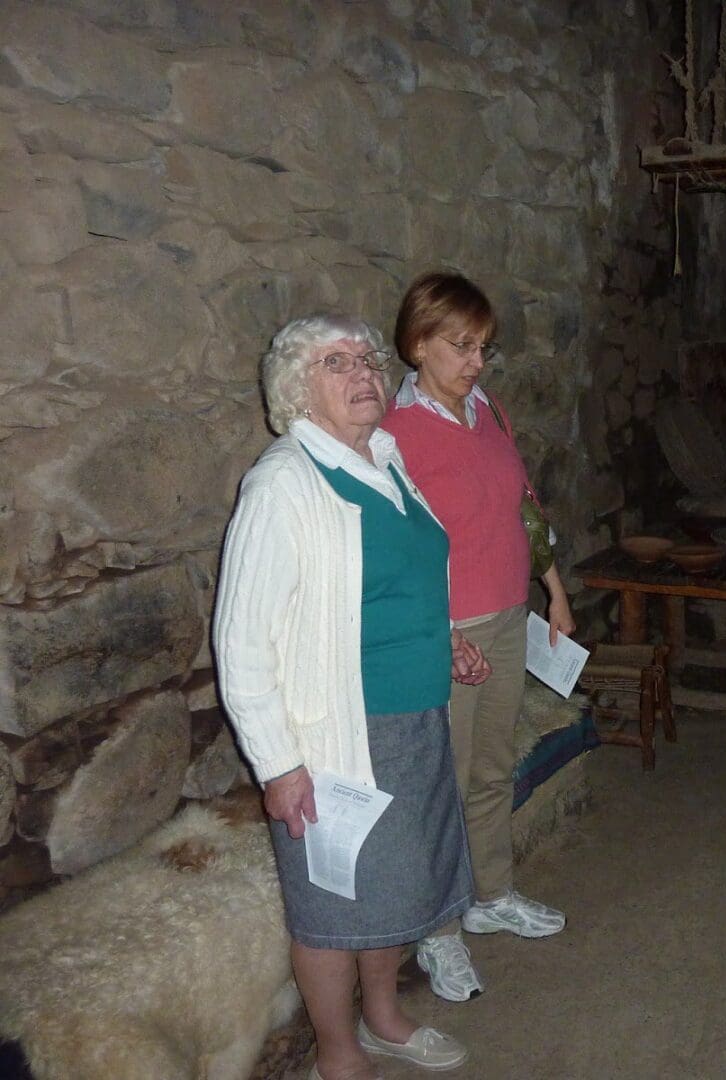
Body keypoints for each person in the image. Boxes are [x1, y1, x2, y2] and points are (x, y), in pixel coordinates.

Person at [214, 314, 490, 1079]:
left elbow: (398, 585)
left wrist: (444, 640)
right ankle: (338, 1052)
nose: (363, 372)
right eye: (335, 363)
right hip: (336, 732)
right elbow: (242, 642)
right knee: (333, 905)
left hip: (415, 719)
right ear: (295, 390)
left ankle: (384, 1017)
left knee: (395, 887)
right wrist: (278, 765)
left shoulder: (384, 460)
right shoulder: (284, 484)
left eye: (366, 359)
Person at [381, 271, 577, 1003]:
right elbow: (395, 553)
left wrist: (554, 592)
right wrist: (438, 635)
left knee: (492, 768)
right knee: (443, 783)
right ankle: (438, 932)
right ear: (418, 344)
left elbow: (524, 506)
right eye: (461, 347)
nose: (476, 362)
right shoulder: (393, 436)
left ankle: (491, 894)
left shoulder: (487, 409)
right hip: (449, 629)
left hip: (505, 617)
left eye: (483, 347)